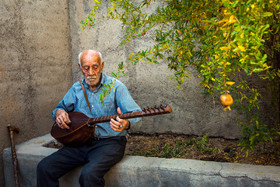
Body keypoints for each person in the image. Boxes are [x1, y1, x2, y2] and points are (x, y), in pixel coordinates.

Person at [37, 49, 141, 187]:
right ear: (80, 67)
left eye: (95, 67)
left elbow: (137, 114)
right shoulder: (76, 89)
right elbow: (59, 108)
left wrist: (125, 124)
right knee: (44, 168)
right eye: (86, 68)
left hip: (109, 143)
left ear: (102, 65)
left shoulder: (116, 87)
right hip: (80, 143)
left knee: (89, 175)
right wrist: (59, 114)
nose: (91, 73)